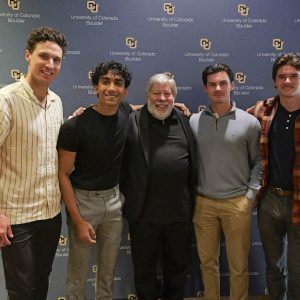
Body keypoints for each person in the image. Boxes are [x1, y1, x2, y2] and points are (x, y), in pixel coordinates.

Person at [0, 27, 67, 300]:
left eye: (57, 60)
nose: (50, 65)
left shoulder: (56, 101)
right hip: (17, 217)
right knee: (22, 291)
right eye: (44, 56)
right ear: (28, 55)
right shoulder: (6, 100)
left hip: (50, 214)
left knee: (41, 283)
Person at [57, 61, 132, 300]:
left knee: (107, 273)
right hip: (83, 203)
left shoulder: (126, 111)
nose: (112, 88)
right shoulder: (74, 126)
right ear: (95, 87)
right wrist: (77, 220)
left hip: (114, 202)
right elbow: (63, 174)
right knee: (78, 275)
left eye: (118, 83)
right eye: (105, 82)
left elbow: (144, 107)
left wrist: (175, 105)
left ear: (125, 91)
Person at [120, 72, 197, 300]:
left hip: (180, 214)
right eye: (156, 93)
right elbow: (106, 110)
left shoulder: (185, 121)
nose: (162, 98)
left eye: (168, 93)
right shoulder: (131, 120)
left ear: (175, 96)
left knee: (177, 270)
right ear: (147, 95)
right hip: (144, 215)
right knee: (144, 272)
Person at [190, 63, 261, 300]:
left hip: (236, 204)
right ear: (205, 88)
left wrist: (249, 197)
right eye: (212, 84)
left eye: (223, 83)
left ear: (233, 85)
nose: (218, 88)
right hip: (203, 204)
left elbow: (258, 163)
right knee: (207, 263)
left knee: (239, 265)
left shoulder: (250, 123)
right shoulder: (193, 121)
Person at [247, 53, 300, 300]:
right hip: (270, 200)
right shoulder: (263, 109)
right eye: (282, 76)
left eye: (293, 76)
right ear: (274, 81)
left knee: (298, 273)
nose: (287, 81)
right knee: (274, 269)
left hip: (298, 201)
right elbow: (229, 116)